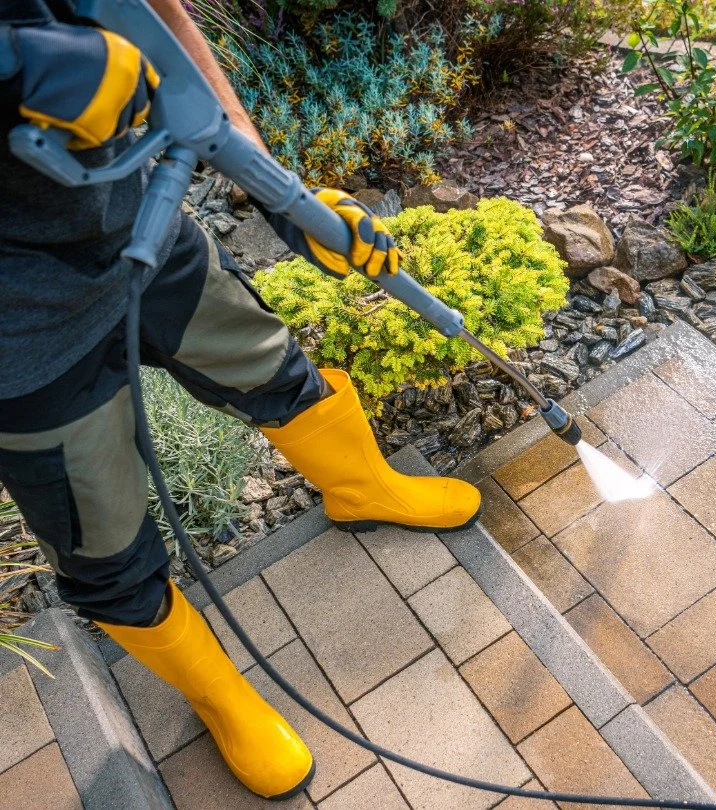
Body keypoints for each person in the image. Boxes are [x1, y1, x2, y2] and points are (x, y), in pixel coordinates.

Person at [0, 0, 482, 799]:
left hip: (144, 229)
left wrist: (278, 191)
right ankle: (221, 697)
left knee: (275, 370)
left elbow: (162, 21)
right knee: (107, 550)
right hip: (19, 343)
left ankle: (362, 489)